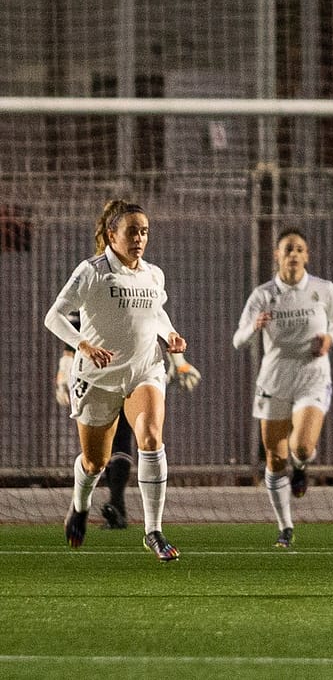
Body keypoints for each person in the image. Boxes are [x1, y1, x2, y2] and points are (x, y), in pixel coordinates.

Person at [44, 199, 187, 561]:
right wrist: (83, 345)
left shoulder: (153, 274)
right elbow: (54, 317)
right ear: (112, 234)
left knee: (151, 438)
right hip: (98, 377)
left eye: (144, 232)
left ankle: (153, 531)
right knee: (95, 463)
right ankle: (80, 505)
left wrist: (170, 336)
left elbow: (157, 315)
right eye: (132, 231)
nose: (140, 238)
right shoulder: (91, 271)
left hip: (144, 371)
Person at [232, 228, 333, 548]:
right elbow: (238, 339)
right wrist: (254, 327)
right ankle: (285, 526)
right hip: (275, 378)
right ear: (277, 256)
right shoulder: (263, 295)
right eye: (288, 249)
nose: (293, 254)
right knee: (274, 459)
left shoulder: (323, 290)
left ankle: (302, 466)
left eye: (299, 249)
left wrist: (329, 337)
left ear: (306, 256)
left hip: (313, 374)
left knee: (302, 448)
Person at [54, 312, 201, 529]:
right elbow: (67, 331)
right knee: (96, 458)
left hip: (134, 375)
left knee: (138, 439)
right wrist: (63, 375)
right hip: (98, 377)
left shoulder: (142, 285)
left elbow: (153, 319)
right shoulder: (90, 287)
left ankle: (144, 524)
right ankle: (85, 505)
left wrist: (179, 361)